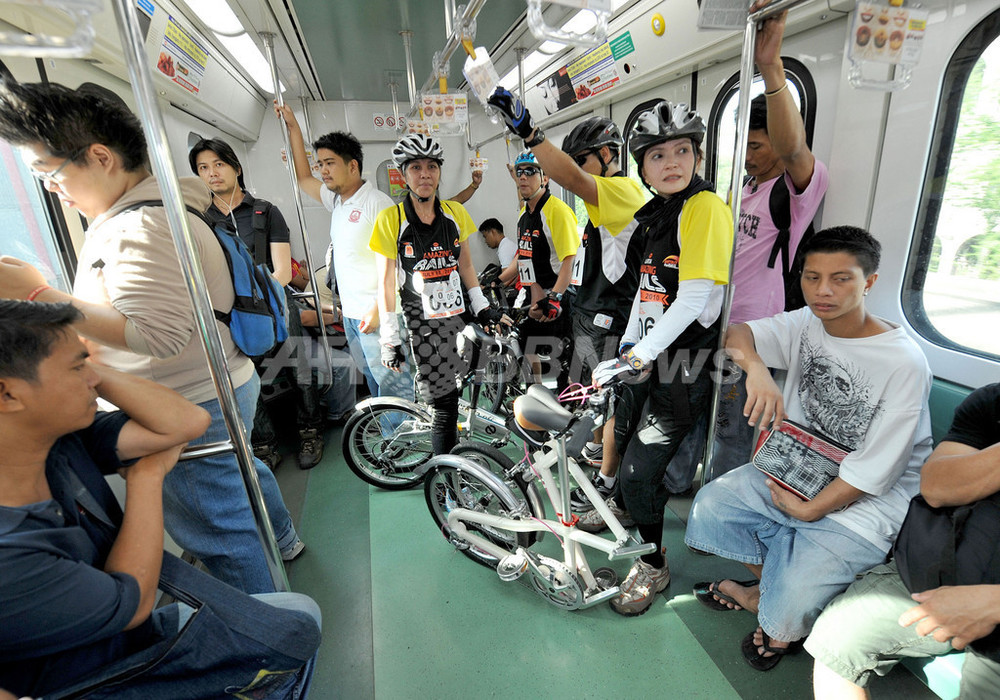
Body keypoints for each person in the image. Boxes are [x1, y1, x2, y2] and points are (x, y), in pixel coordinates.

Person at [0, 79, 304, 593]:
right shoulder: (157, 208)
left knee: (224, 536)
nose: (52, 188)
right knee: (245, 475)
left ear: (100, 157)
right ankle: (285, 541)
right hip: (221, 379)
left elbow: (156, 336)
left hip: (189, 399)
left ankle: (271, 653)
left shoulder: (140, 228)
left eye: (48, 174)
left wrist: (38, 294)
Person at [0, 300, 321, 699]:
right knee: (286, 642)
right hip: (98, 676)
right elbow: (131, 602)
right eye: (77, 367)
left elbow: (187, 422)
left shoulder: (57, 443)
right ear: (7, 394)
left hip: (123, 639)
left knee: (299, 616)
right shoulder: (10, 553)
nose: (92, 381)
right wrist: (147, 479)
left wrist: (89, 366)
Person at [684, 225, 933, 670]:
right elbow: (737, 331)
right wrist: (756, 370)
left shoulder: (904, 362)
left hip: (867, 491)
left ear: (869, 282)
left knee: (783, 620)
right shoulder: (805, 322)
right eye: (812, 277)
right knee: (711, 506)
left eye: (841, 278)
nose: (823, 291)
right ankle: (773, 582)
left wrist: (809, 511)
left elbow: (877, 470)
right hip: (799, 463)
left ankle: (770, 598)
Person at [577, 101, 734, 617]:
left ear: (698, 155)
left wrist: (636, 355)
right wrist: (625, 352)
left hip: (679, 370)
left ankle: (653, 564)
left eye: (683, 151)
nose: (672, 162)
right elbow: (646, 297)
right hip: (645, 359)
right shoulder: (655, 216)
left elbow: (692, 299)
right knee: (617, 446)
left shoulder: (704, 208)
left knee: (640, 474)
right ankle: (625, 516)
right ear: (640, 166)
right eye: (658, 155)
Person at [670, 2, 832, 482]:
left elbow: (793, 148)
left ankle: (717, 507)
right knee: (692, 413)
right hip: (714, 324)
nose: (747, 156)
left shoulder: (798, 188)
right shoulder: (743, 190)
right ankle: (675, 483)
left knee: (733, 431)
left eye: (755, 147)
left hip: (755, 335)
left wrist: (769, 66)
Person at [487, 90, 647, 503]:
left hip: (609, 317)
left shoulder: (623, 191)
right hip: (592, 313)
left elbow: (568, 199)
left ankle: (606, 486)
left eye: (584, 159)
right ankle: (594, 451)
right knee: (587, 393)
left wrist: (528, 131)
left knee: (603, 401)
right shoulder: (597, 205)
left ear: (609, 155)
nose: (577, 170)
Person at [808, 382, 1000, 699]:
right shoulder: (991, 403)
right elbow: (936, 488)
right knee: (837, 637)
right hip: (952, 564)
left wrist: (991, 603)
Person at [189, 137, 325, 469]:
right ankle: (264, 443)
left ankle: (310, 430)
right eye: (203, 168)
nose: (212, 174)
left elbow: (282, 270)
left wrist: (255, 300)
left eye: (218, 165)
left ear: (236, 168)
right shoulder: (198, 219)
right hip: (229, 314)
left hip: (275, 302)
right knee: (243, 374)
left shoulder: (264, 212)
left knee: (299, 367)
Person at [370, 134, 504, 456]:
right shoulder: (391, 220)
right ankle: (447, 482)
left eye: (431, 166)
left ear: (440, 172)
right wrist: (389, 338)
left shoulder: (455, 214)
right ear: (404, 175)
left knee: (465, 385)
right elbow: (386, 283)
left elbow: (467, 266)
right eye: (415, 167)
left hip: (458, 320)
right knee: (445, 409)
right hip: (423, 326)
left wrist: (483, 307)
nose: (424, 174)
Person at [274, 102, 414, 402]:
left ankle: (409, 443)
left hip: (377, 314)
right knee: (376, 384)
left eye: (330, 163)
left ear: (352, 166)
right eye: (320, 163)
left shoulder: (377, 205)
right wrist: (293, 128)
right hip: (351, 314)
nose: (323, 170)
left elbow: (399, 267)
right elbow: (302, 178)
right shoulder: (337, 202)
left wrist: (378, 312)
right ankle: (391, 440)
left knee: (395, 385)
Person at [496, 151, 579, 387]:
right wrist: (500, 282)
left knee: (565, 360)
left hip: (559, 294)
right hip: (538, 293)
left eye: (530, 172)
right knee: (525, 344)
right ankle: (536, 393)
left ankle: (571, 404)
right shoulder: (524, 215)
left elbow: (569, 261)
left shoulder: (557, 211)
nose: (523, 177)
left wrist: (553, 297)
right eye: (519, 172)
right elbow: (524, 258)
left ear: (545, 178)